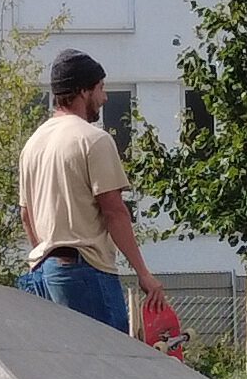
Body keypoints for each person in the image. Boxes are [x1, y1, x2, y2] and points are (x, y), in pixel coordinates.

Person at [17, 48, 165, 331]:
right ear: (83, 90)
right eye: (101, 88)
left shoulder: (32, 145)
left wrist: (46, 256)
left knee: (64, 368)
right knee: (107, 365)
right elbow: (114, 212)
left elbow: (27, 215)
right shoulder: (94, 140)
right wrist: (143, 274)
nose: (105, 97)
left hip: (43, 273)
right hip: (86, 271)